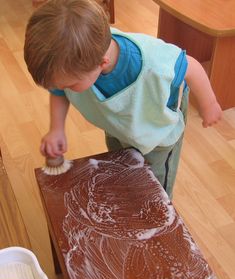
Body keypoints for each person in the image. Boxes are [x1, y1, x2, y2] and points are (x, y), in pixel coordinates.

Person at [24, 0, 222, 199]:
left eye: (69, 85)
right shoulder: (79, 61)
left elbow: (190, 66)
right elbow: (59, 91)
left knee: (155, 180)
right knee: (123, 159)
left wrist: (209, 104)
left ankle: (157, 206)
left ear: (102, 63)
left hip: (157, 124)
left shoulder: (153, 65)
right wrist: (57, 128)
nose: (63, 89)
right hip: (121, 122)